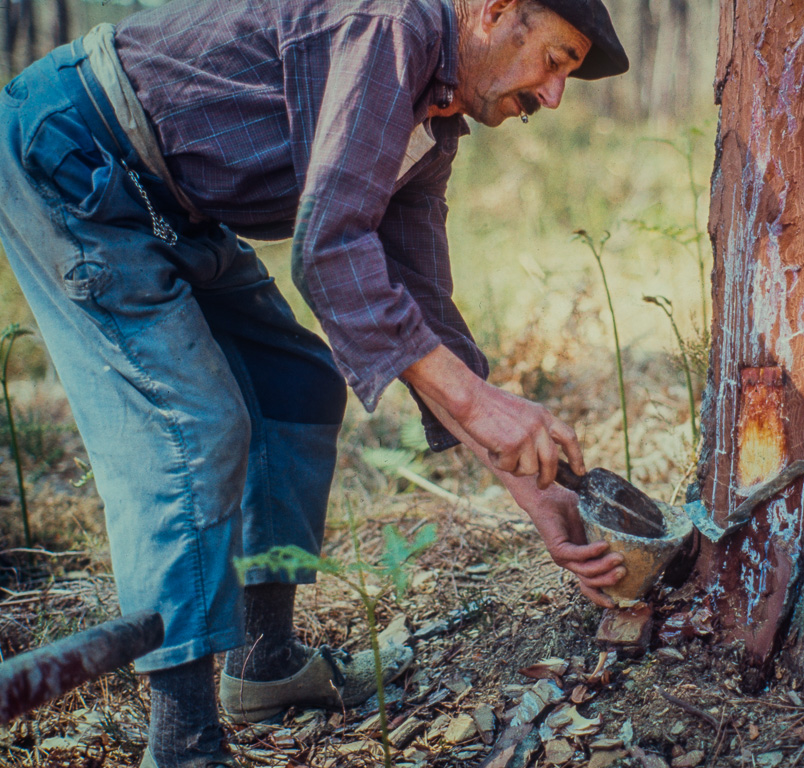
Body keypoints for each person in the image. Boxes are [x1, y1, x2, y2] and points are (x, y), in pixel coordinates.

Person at [0, 0, 628, 765]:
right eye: (556, 60)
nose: (553, 95)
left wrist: (530, 482)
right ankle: (184, 745)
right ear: (495, 12)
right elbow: (328, 253)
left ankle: (264, 663)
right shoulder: (389, 24)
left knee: (297, 382)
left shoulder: (432, 119)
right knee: (194, 431)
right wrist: (479, 406)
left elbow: (418, 297)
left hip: (176, 204)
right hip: (79, 158)